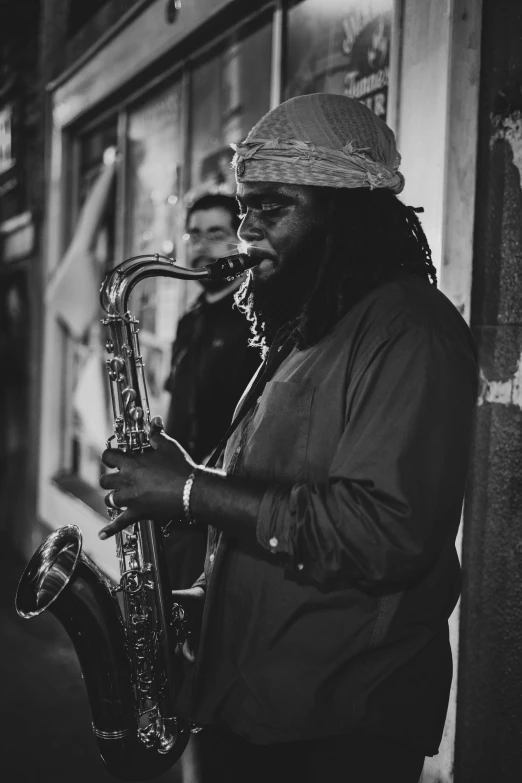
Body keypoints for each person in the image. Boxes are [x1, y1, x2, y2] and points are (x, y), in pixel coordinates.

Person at [99, 93, 478, 783]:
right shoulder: (307, 330)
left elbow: (381, 533)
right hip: (251, 705)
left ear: (344, 214)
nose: (247, 233)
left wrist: (188, 490)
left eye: (271, 208)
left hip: (334, 729)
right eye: (245, 209)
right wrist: (189, 604)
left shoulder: (412, 331)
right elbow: (279, 507)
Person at [163, 193, 260, 592]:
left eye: (216, 232)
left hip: (225, 507)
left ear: (241, 239)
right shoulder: (190, 321)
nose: (202, 246)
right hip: (177, 502)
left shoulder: (260, 323)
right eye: (195, 234)